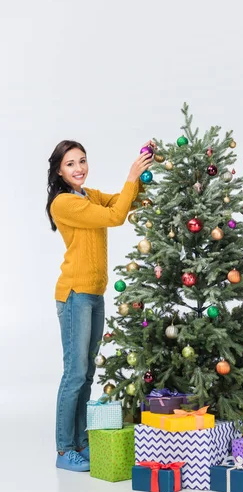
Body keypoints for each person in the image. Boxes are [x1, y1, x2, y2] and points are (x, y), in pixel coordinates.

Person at [46, 139, 154, 471]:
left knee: (87, 373)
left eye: (82, 160)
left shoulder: (87, 195)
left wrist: (146, 164)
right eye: (70, 164)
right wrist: (131, 174)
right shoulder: (64, 203)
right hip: (75, 294)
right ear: (59, 171)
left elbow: (126, 202)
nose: (79, 168)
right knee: (75, 373)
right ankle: (65, 450)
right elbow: (116, 216)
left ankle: (80, 442)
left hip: (94, 294)